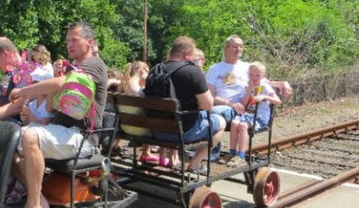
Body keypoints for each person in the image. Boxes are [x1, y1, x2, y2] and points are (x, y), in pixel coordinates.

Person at [7, 21, 108, 208]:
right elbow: (53, 107)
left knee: (30, 136)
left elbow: (63, 83)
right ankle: (39, 199)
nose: (69, 44)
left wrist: (24, 91)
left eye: (75, 40)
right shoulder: (74, 68)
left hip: (83, 138)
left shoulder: (94, 65)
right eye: (67, 40)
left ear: (90, 42)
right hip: (62, 132)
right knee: (8, 141)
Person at [151, 36, 226, 173]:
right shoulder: (192, 71)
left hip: (156, 131)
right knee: (220, 123)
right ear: (186, 54)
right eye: (192, 55)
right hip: (182, 133)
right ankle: (195, 163)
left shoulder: (156, 69)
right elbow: (208, 105)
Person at [206, 35, 292, 127]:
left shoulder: (248, 67)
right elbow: (211, 95)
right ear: (225, 48)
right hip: (227, 107)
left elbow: (263, 82)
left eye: (241, 46)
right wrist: (231, 104)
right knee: (211, 114)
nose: (238, 49)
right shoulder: (214, 69)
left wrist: (283, 83)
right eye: (235, 46)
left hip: (248, 109)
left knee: (211, 116)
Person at [228, 62, 281, 166]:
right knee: (234, 123)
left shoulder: (265, 86)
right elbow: (243, 104)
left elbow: (278, 101)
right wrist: (249, 90)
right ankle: (232, 152)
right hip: (248, 114)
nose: (254, 78)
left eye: (257, 75)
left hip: (260, 117)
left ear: (263, 76)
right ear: (248, 75)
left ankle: (241, 156)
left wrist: (265, 97)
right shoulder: (246, 86)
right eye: (251, 75)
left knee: (243, 126)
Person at [122, 61, 159, 164]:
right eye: (148, 72)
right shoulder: (136, 88)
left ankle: (146, 153)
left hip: (125, 127)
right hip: (139, 130)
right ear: (142, 71)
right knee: (158, 121)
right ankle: (147, 153)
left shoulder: (125, 83)